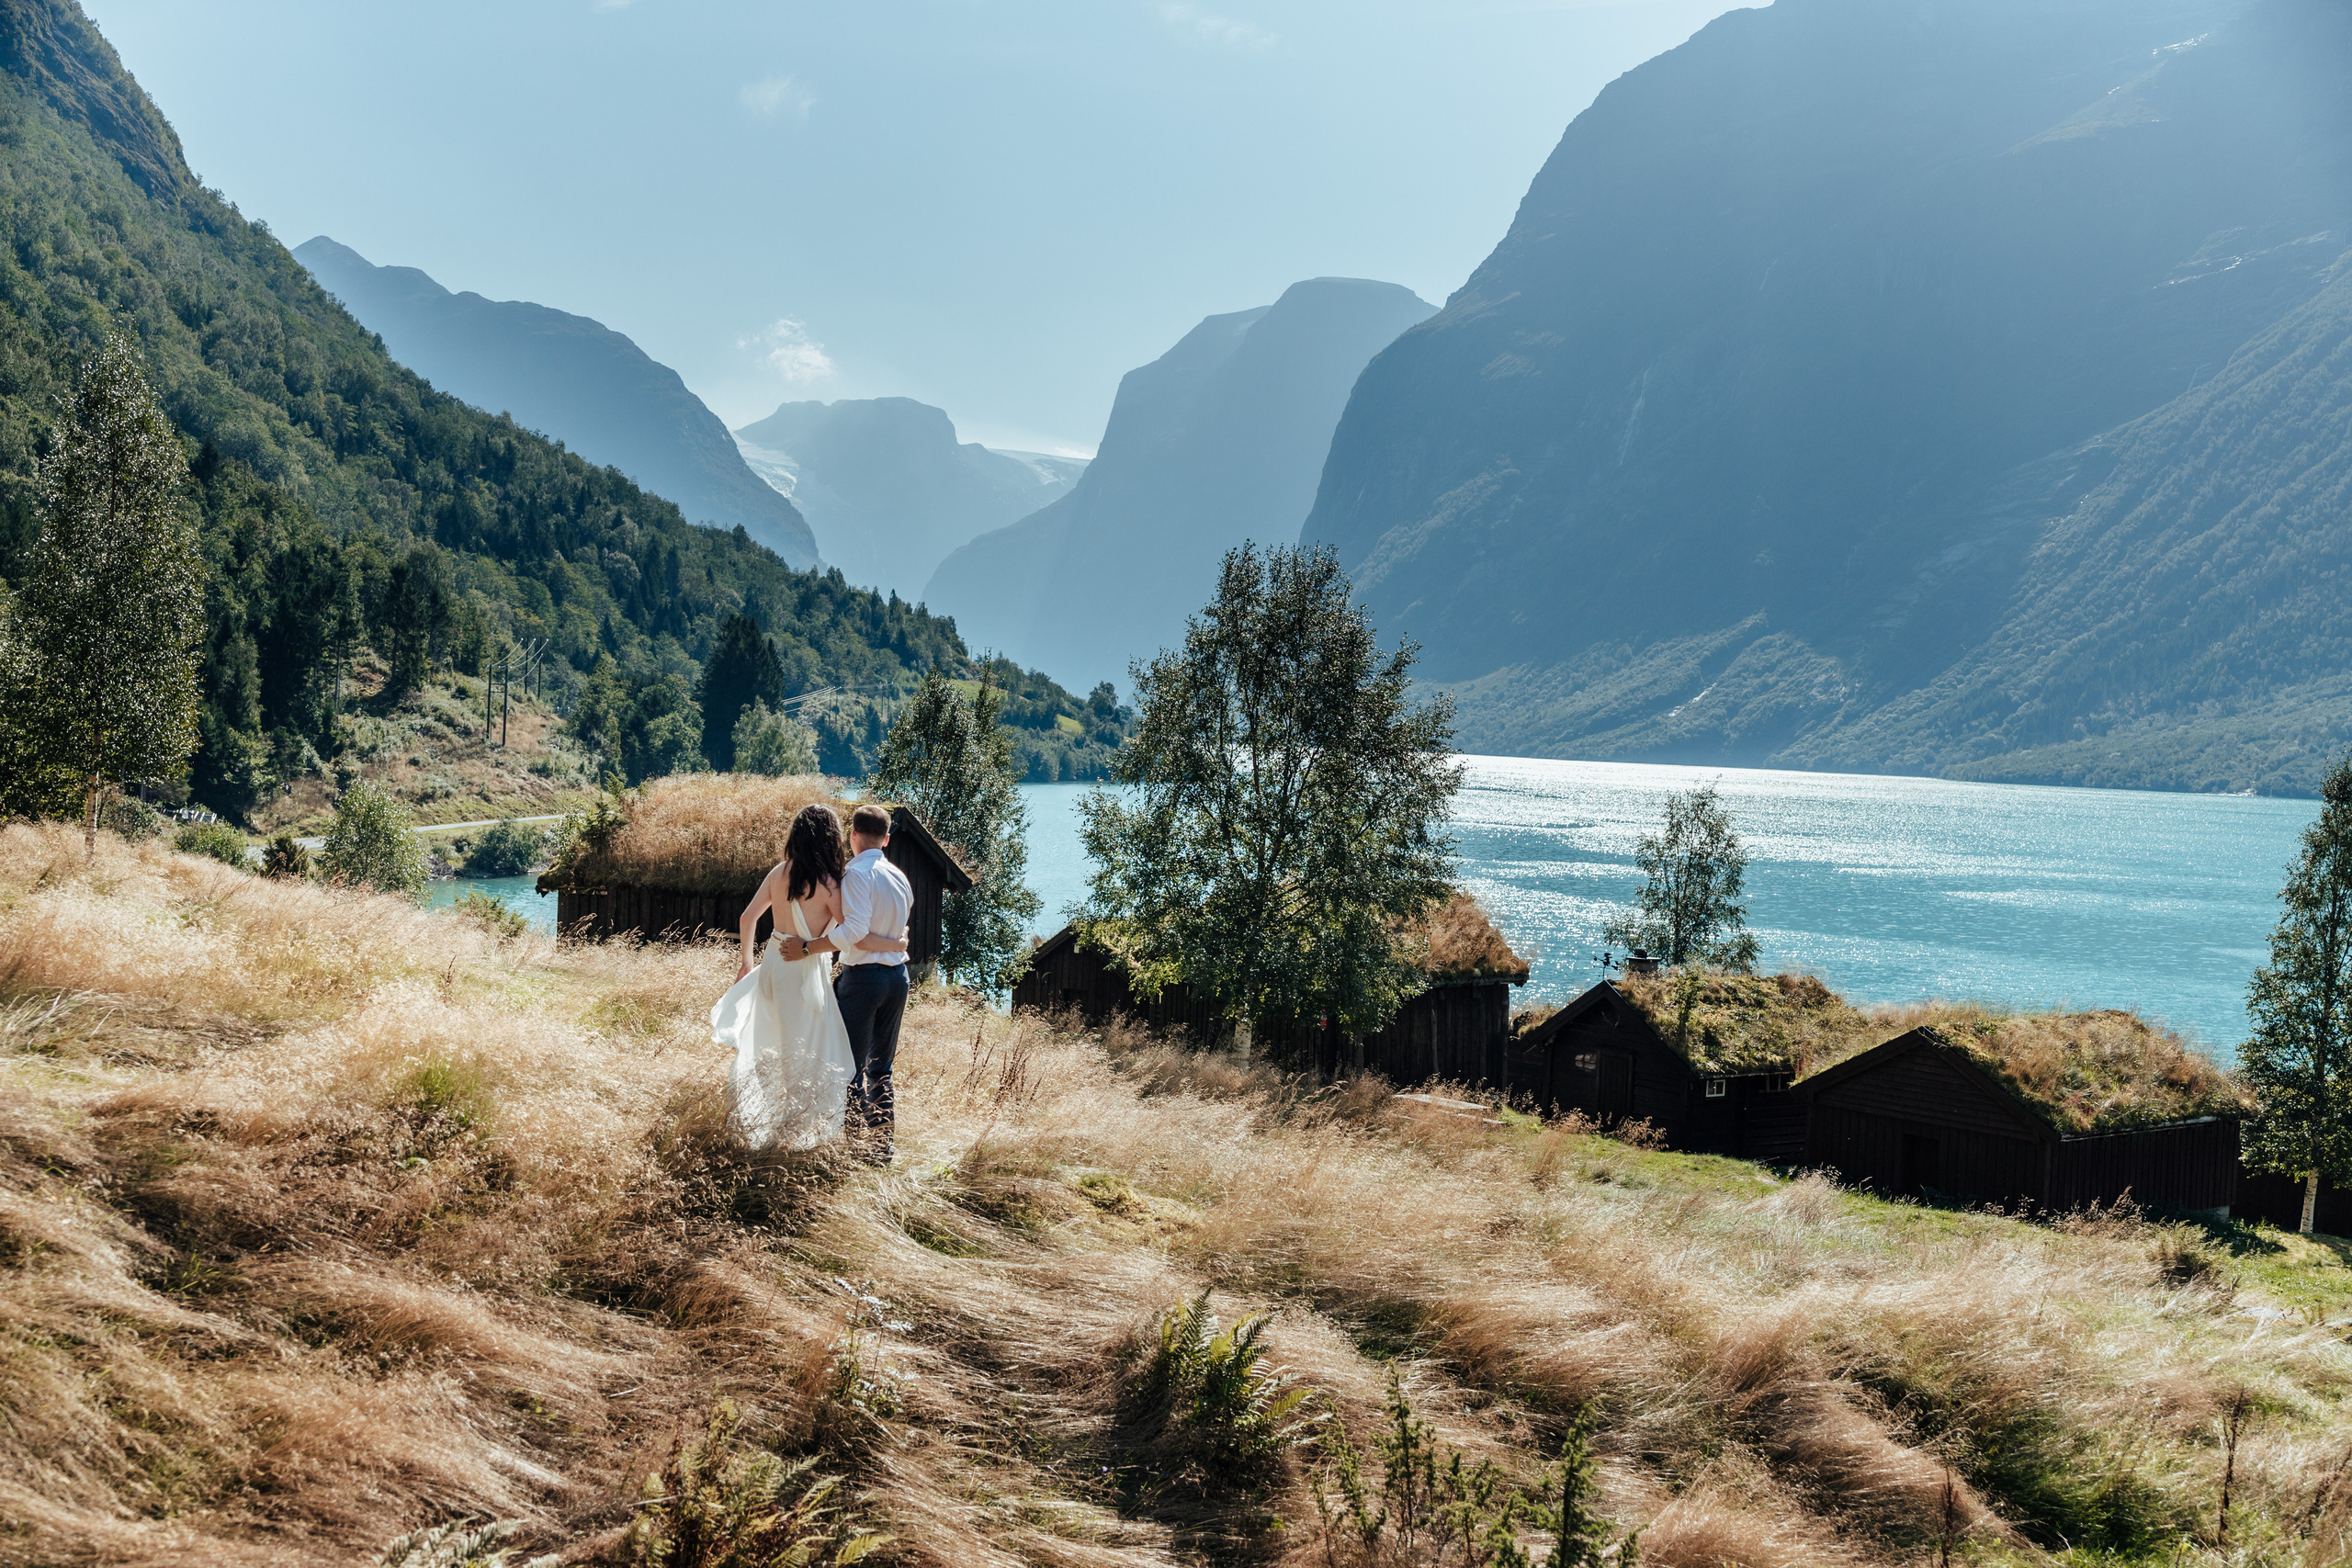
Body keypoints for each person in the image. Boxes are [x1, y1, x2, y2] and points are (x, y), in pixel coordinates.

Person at [709, 803, 902, 1149]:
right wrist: (895, 943)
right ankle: (796, 1130)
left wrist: (746, 963)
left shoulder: (778, 873)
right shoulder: (830, 886)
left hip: (772, 968)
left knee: (771, 1044)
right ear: (833, 839)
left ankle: (763, 1124)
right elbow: (854, 933)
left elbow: (747, 918)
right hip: (804, 971)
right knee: (808, 1051)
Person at [780, 802, 911, 1163]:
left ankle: (852, 1147)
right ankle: (882, 1148)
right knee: (881, 1068)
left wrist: (808, 948)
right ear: (886, 839)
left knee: (848, 1065)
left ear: (853, 836)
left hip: (864, 981)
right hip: (898, 978)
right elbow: (897, 930)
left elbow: (854, 932)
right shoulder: (899, 876)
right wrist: (898, 945)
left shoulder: (854, 874)